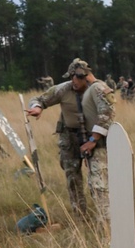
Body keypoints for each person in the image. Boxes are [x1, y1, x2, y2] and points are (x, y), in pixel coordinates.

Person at [27, 58, 116, 221]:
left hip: (95, 139)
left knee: (98, 180)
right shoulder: (64, 89)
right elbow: (38, 99)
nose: (72, 81)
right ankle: (80, 217)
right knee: (73, 178)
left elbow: (107, 115)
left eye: (75, 77)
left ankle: (105, 220)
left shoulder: (99, 90)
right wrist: (37, 108)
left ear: (84, 76)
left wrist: (93, 140)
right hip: (70, 138)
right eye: (71, 77)